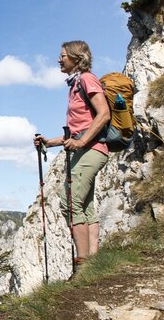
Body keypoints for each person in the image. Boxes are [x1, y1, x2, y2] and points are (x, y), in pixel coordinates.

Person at [33, 41, 110, 274]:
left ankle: (83, 264)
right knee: (85, 205)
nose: (59, 60)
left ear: (77, 58)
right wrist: (50, 142)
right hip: (85, 150)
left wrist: (82, 142)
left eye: (63, 56)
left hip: (91, 150)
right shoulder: (76, 84)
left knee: (70, 201)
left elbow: (104, 114)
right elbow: (77, 131)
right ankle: (94, 262)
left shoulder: (86, 79)